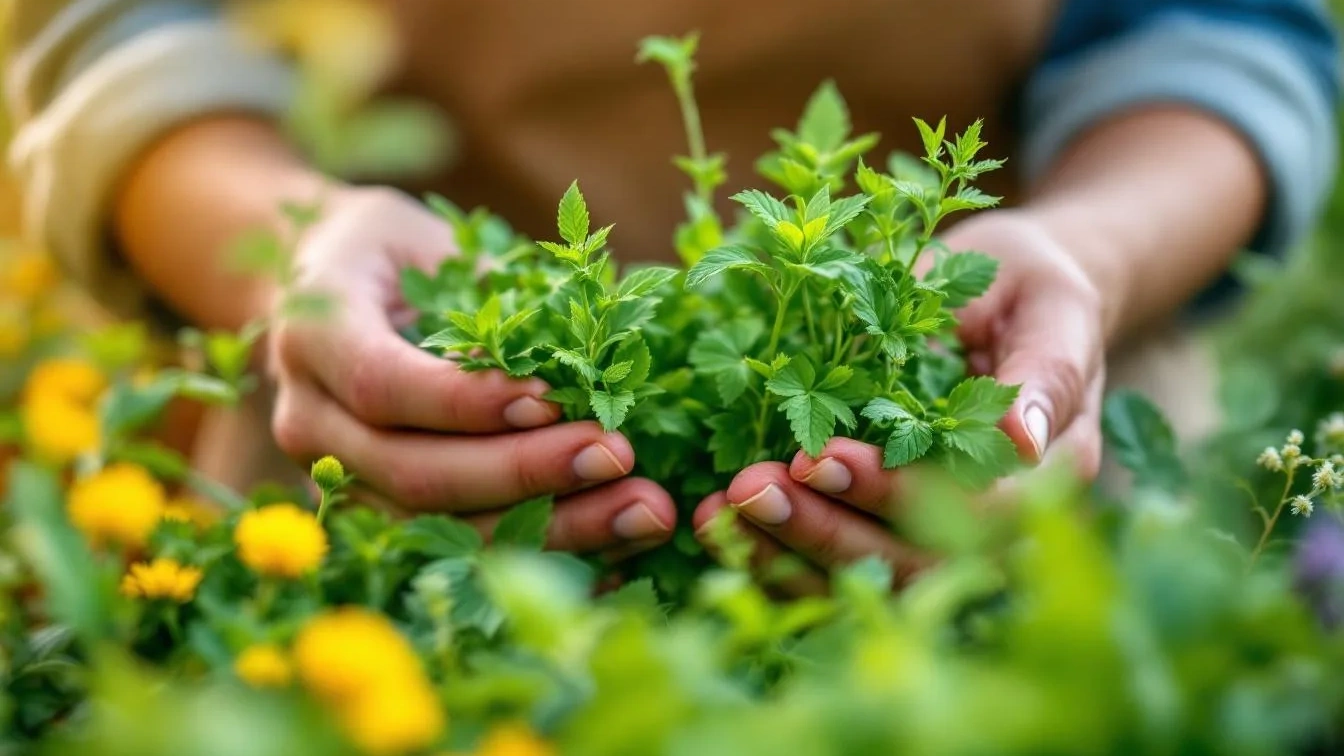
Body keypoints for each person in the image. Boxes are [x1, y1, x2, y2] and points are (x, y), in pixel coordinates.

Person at [7, 1, 1340, 579]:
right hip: (368, 444)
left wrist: (1092, 255)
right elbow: (109, 23)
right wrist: (288, 242)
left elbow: (1228, 26)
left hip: (1011, 434)